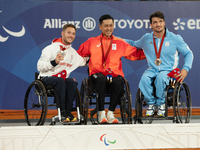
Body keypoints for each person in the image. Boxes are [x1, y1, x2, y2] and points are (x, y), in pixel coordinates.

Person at [77, 14, 145, 124]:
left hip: (114, 74)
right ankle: (101, 112)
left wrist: (151, 53)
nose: (109, 28)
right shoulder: (91, 42)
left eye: (111, 25)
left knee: (119, 81)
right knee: (101, 79)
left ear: (113, 26)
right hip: (97, 74)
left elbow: (135, 54)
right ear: (100, 27)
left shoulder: (120, 42)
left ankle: (110, 113)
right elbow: (78, 54)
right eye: (106, 26)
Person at [125, 11, 193, 117]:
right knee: (144, 79)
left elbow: (188, 53)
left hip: (170, 70)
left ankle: (161, 104)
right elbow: (133, 44)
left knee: (161, 78)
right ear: (151, 25)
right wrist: (116, 40)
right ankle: (151, 104)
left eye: (160, 21)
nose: (158, 24)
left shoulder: (175, 38)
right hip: (153, 69)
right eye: (155, 22)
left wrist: (185, 69)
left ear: (164, 23)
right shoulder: (146, 38)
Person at [37, 24, 87, 122]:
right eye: (69, 32)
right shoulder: (50, 48)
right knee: (60, 81)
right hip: (46, 78)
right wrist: (54, 62)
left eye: (73, 34)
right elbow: (39, 66)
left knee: (72, 82)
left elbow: (84, 61)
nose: (71, 36)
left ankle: (68, 112)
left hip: (61, 81)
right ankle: (62, 111)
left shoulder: (72, 52)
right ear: (62, 33)